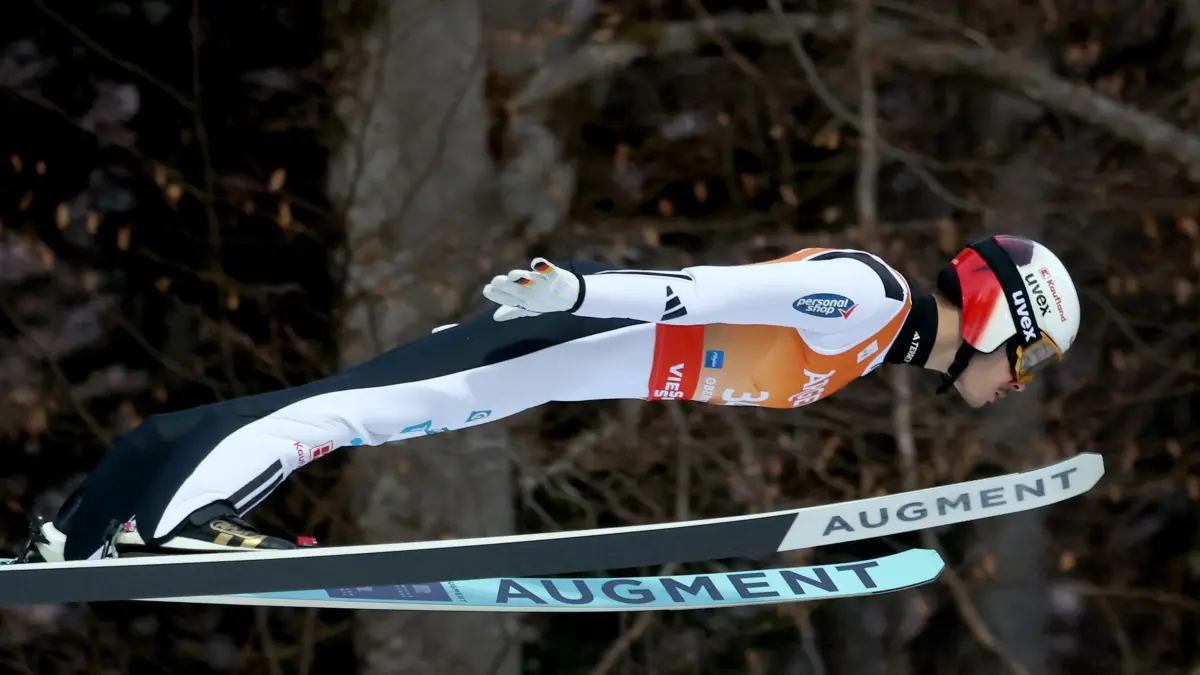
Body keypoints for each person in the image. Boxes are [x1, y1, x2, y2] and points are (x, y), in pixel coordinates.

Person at [23, 234, 1080, 562]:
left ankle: (78, 533)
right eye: (1022, 363)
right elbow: (700, 293)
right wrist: (576, 293)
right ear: (999, 322)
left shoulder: (872, 346)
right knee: (343, 418)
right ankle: (178, 529)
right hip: (556, 330)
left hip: (537, 367)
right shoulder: (866, 296)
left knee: (322, 405)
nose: (1008, 388)